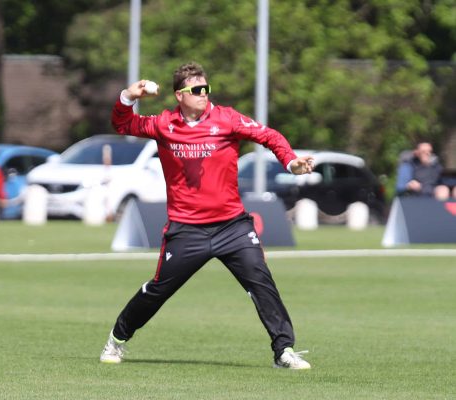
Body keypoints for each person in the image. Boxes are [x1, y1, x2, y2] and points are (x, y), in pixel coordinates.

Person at [100, 62, 314, 369]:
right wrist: (127, 96)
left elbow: (269, 136)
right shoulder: (164, 124)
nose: (203, 94)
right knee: (159, 290)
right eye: (196, 90)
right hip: (186, 229)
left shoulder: (227, 119)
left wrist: (291, 163)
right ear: (179, 95)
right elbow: (122, 125)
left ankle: (284, 350)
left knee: (261, 281)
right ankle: (117, 339)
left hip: (233, 227)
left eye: (206, 88)